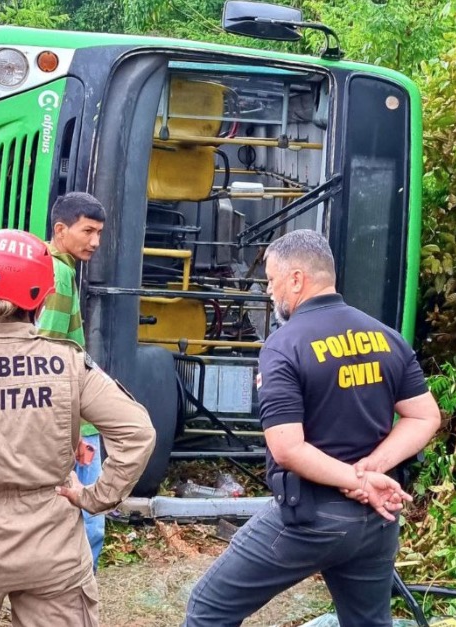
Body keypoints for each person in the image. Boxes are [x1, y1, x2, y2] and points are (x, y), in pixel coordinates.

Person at [183, 229, 441, 627]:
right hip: (376, 522)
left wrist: (357, 480)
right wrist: (372, 471)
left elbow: (287, 448)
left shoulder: (284, 346)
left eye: (271, 279)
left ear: (298, 279)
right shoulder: (386, 337)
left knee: (207, 608)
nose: (269, 291)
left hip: (310, 520)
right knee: (368, 622)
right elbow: (425, 416)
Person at [0, 229, 155, 626]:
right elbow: (138, 432)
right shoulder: (69, 364)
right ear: (42, 297)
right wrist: (96, 498)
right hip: (54, 548)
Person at [36, 191, 108, 570]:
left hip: (68, 419)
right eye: (88, 231)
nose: (95, 241)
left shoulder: (46, 265)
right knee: (90, 519)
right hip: (75, 421)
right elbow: (48, 355)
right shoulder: (60, 274)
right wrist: (71, 429)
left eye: (99, 233)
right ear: (61, 230)